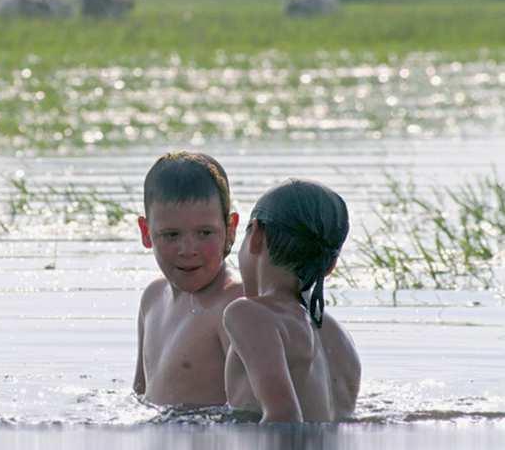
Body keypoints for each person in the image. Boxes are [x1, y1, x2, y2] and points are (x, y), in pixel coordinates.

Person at [224, 178, 361, 423]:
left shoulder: (248, 314)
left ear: (255, 234)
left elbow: (284, 417)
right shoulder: (340, 339)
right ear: (330, 266)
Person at [133, 151, 242, 407]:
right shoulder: (152, 299)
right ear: (146, 232)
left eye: (205, 233)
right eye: (171, 235)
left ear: (231, 229)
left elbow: (257, 409)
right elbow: (139, 395)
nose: (188, 249)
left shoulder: (235, 306)